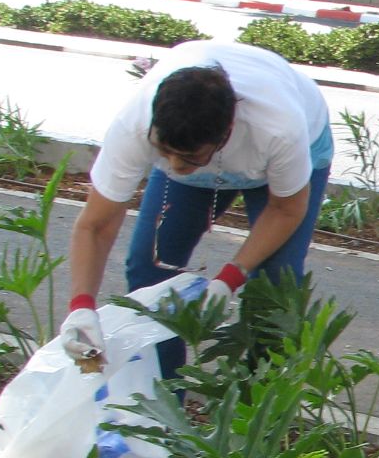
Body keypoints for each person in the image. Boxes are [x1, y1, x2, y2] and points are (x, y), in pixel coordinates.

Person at [58, 40, 334, 372]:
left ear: (225, 134)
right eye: (164, 151)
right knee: (148, 269)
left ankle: (258, 405)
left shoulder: (279, 128)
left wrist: (231, 276)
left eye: (187, 157)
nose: (174, 166)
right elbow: (96, 225)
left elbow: (286, 210)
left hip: (288, 147)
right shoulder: (136, 124)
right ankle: (164, 401)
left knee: (275, 283)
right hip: (206, 149)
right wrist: (81, 306)